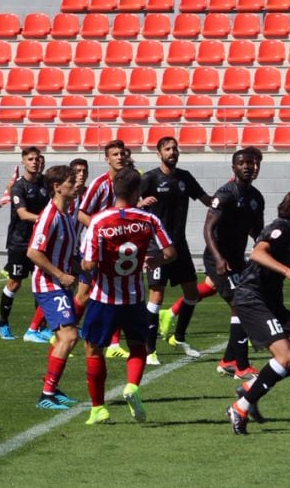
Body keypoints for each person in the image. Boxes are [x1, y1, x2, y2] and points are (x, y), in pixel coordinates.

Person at [79, 169, 175, 425]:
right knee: (137, 345)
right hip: (135, 297)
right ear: (137, 192)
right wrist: (155, 259)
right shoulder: (148, 219)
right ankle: (132, 385)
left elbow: (88, 264)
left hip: (104, 298)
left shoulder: (100, 220)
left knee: (93, 349)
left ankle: (98, 408)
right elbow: (171, 252)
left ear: (114, 190)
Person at [226, 188, 290, 435]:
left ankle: (251, 388)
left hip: (271, 300)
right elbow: (257, 252)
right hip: (252, 298)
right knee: (285, 357)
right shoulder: (282, 227)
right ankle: (241, 406)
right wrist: (289, 272)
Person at [138, 136, 211, 360]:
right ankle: (150, 350)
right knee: (157, 296)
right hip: (156, 246)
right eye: (168, 149)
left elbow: (205, 198)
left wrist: (223, 200)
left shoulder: (184, 178)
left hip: (179, 246)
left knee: (191, 293)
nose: (173, 152)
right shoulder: (150, 178)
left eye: (175, 148)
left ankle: (179, 337)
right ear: (159, 153)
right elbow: (126, 203)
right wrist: (139, 204)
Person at [204, 147, 265, 380]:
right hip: (218, 259)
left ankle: (228, 361)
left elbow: (257, 231)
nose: (249, 166)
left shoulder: (256, 197)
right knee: (241, 305)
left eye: (252, 163)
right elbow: (208, 229)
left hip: (238, 260)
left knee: (241, 305)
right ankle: (242, 367)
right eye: (243, 163)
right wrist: (218, 259)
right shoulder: (226, 194)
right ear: (234, 167)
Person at [26, 165, 84, 409]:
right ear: (57, 187)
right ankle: (46, 395)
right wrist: (61, 275)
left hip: (59, 284)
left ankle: (52, 389)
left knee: (66, 337)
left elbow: (68, 254)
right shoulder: (49, 216)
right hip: (48, 285)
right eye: (71, 181)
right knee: (69, 335)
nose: (77, 184)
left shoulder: (66, 215)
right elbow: (33, 252)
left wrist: (81, 270)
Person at [78, 140, 134, 359]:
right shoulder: (99, 184)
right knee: (83, 296)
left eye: (122, 153)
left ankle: (113, 343)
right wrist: (101, 231)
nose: (119, 157)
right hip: (95, 248)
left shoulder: (129, 183)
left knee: (117, 293)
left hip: (119, 251)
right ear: (107, 158)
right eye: (115, 154)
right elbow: (82, 213)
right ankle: (65, 330)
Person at [0, 147, 50, 341]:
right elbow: (22, 214)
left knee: (42, 283)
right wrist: (45, 220)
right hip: (19, 243)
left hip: (39, 242)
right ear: (24, 162)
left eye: (37, 159)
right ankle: (3, 323)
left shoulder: (45, 184)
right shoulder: (19, 187)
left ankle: (40, 327)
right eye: (30, 159)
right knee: (15, 282)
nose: (35, 162)